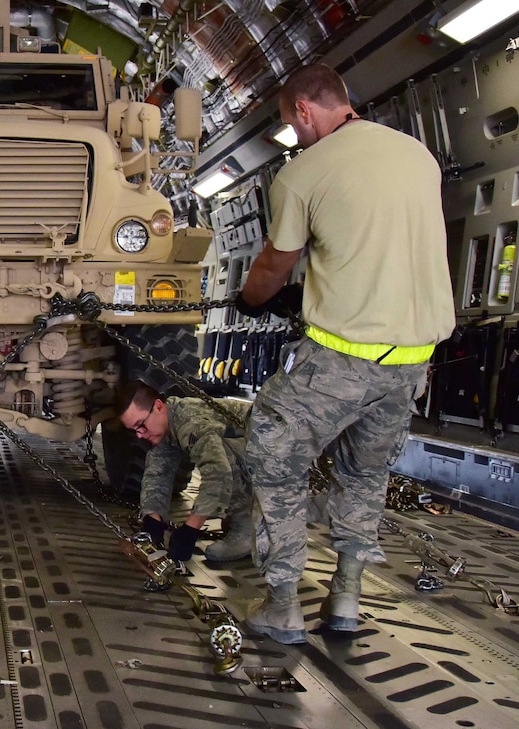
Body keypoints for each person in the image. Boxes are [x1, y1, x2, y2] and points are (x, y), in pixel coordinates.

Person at [235, 63, 455, 644]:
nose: (293, 136)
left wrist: (255, 300)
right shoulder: (419, 157)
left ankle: (282, 603)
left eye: (290, 125)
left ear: (304, 111)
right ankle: (347, 596)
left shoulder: (303, 173)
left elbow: (274, 262)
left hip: (340, 360)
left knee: (273, 456)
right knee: (364, 472)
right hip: (411, 363)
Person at [117, 381, 254, 563]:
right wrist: (153, 520)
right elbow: (157, 473)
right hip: (264, 456)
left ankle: (247, 528)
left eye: (140, 425)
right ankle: (249, 514)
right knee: (213, 456)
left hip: (280, 454)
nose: (140, 435)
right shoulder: (167, 423)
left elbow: (218, 473)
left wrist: (190, 530)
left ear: (158, 406)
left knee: (220, 454)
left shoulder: (190, 423)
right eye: (134, 430)